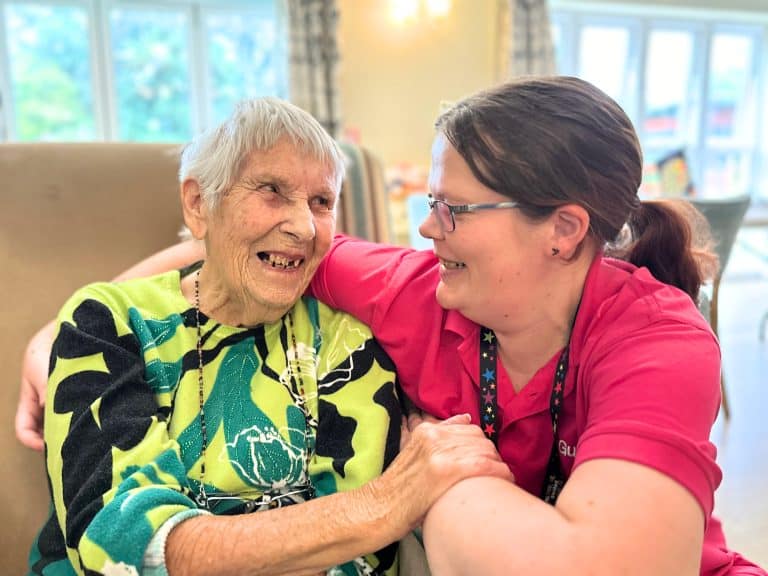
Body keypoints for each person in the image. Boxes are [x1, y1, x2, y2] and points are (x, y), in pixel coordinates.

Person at [18, 77, 765, 575]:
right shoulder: (418, 292)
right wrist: (66, 327)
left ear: (563, 230)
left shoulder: (655, 341)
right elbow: (249, 248)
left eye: (453, 209)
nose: (426, 228)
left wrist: (426, 461)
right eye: (430, 203)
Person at [25, 97, 511, 576]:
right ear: (198, 204)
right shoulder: (110, 324)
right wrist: (383, 503)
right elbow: (119, 544)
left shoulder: (347, 342)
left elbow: (358, 561)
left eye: (321, 202)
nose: (304, 227)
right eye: (272, 191)